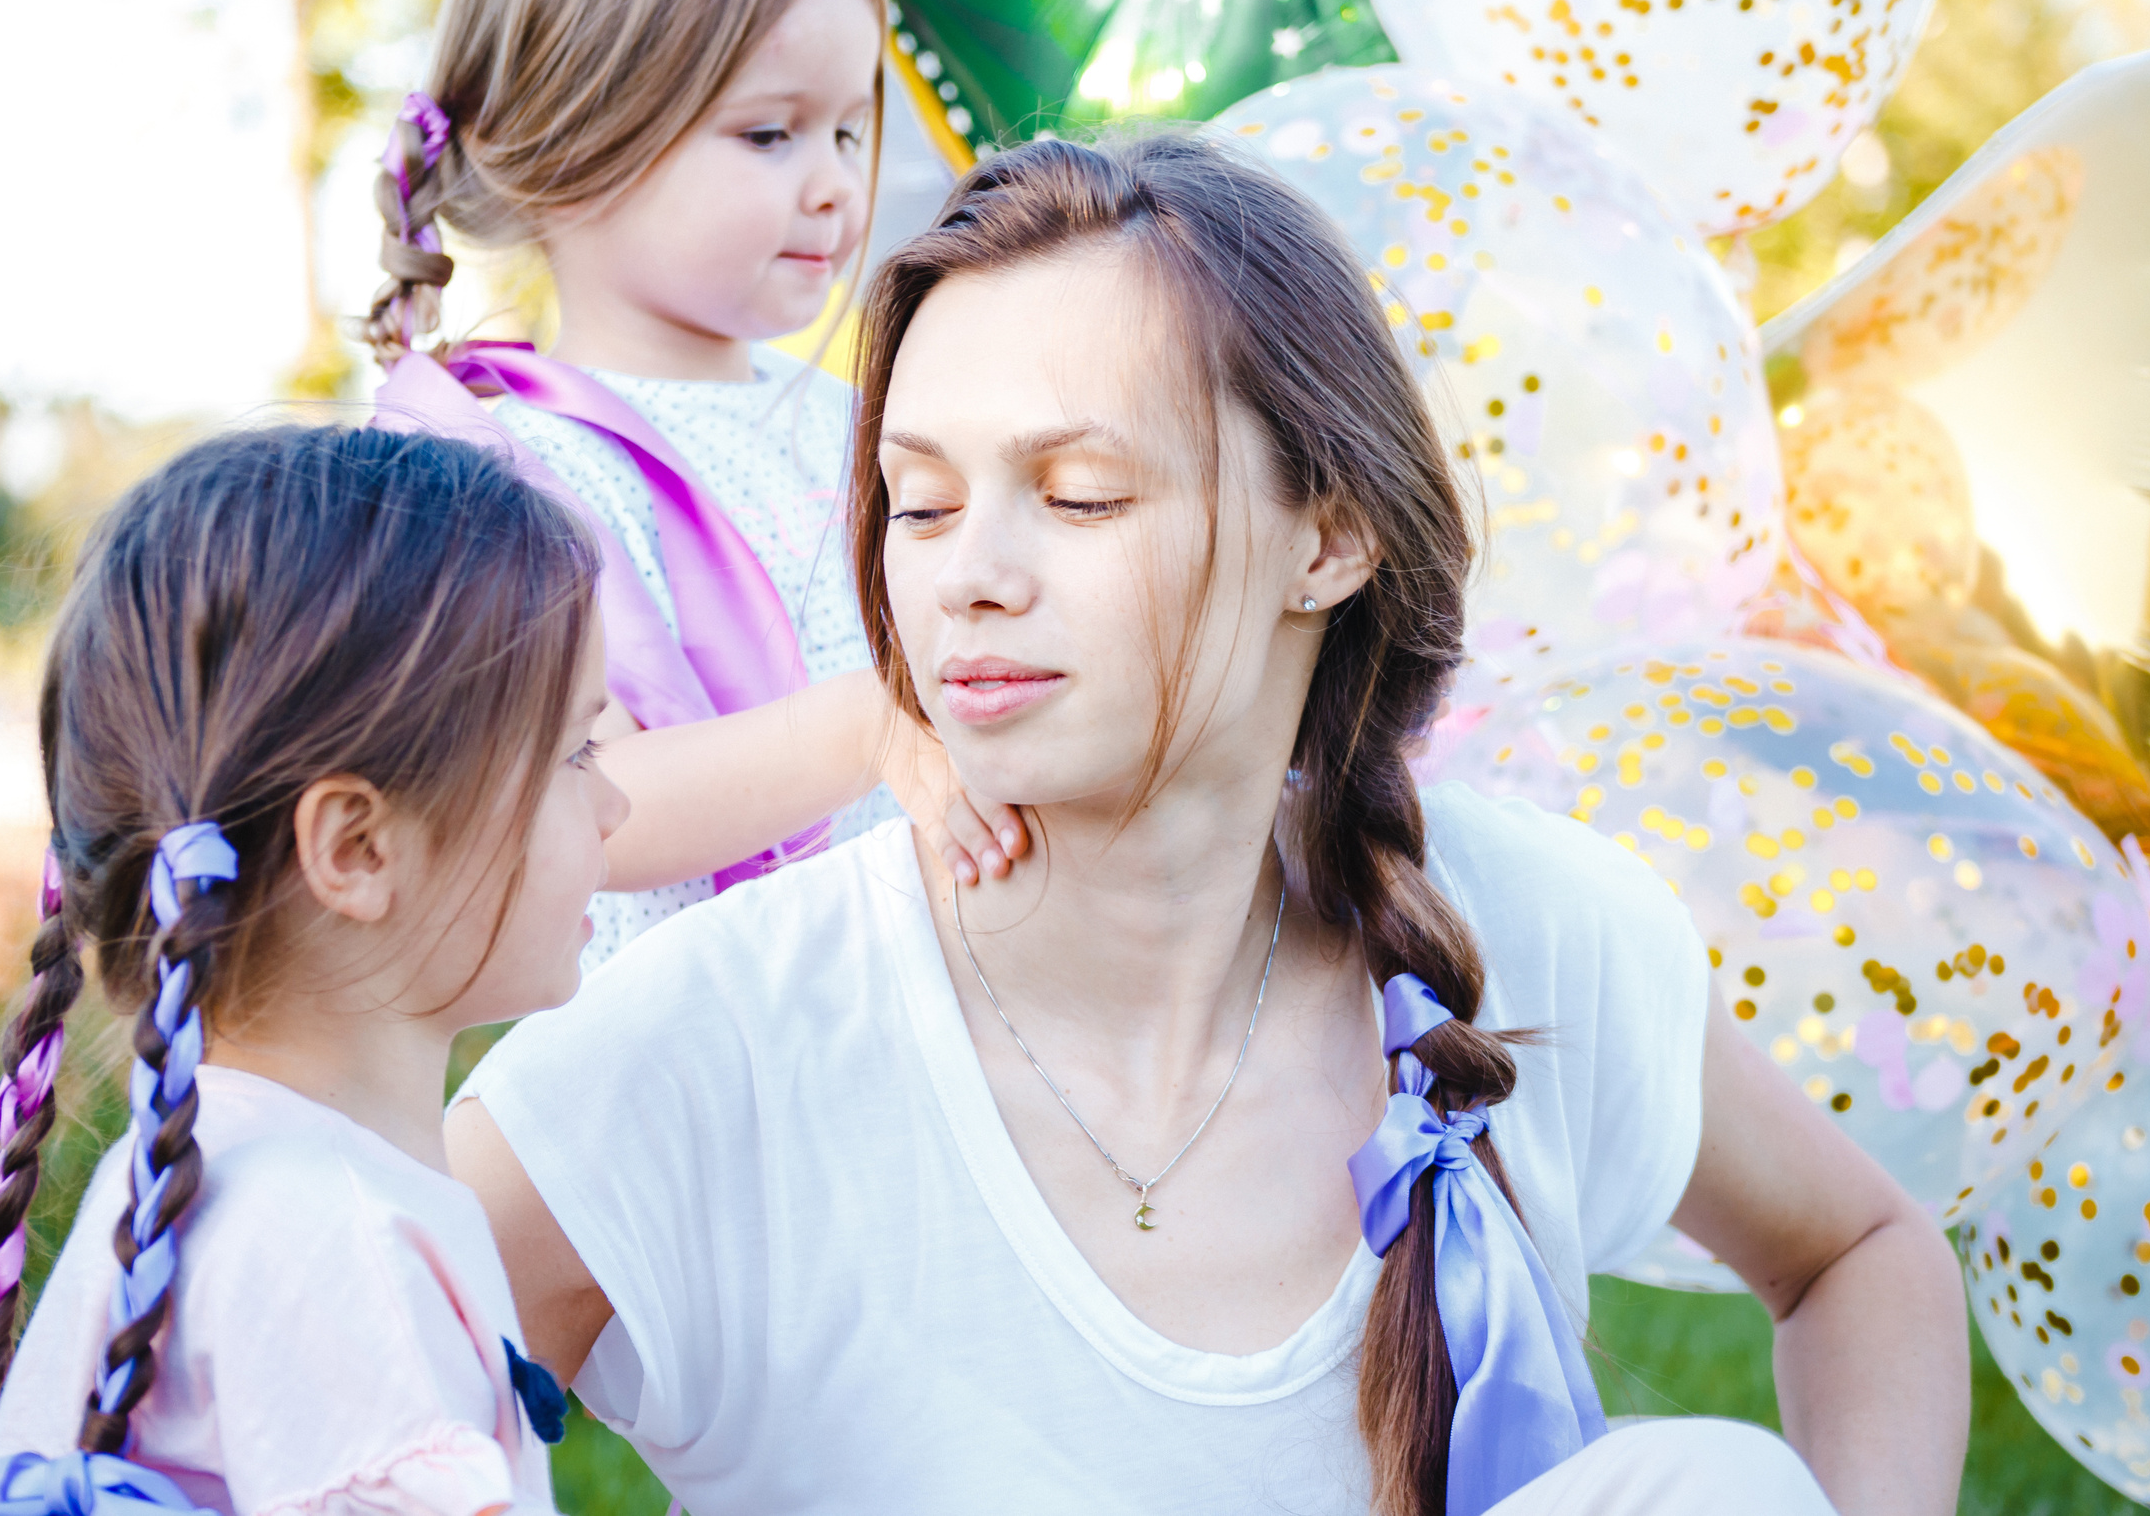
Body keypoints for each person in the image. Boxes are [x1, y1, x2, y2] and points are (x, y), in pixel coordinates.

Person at [445, 135, 1972, 1514]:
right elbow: (284, 1417)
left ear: (1330, 532)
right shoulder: (711, 1039)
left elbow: (1863, 1257)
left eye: (1083, 493)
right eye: (919, 502)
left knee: (1708, 1484)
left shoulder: (1534, 920)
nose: (966, 572)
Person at [0, 426, 622, 1516]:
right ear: (358, 849)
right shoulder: (332, 1243)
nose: (616, 805)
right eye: (575, 753)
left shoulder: (215, 1178)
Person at [357, 0, 1018, 974]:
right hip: (704, 1073)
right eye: (769, 133)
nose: (832, 184)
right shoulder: (510, 467)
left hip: (925, 1013)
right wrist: (880, 720)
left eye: (848, 128)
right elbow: (598, 800)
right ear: (571, 138)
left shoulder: (863, 413)